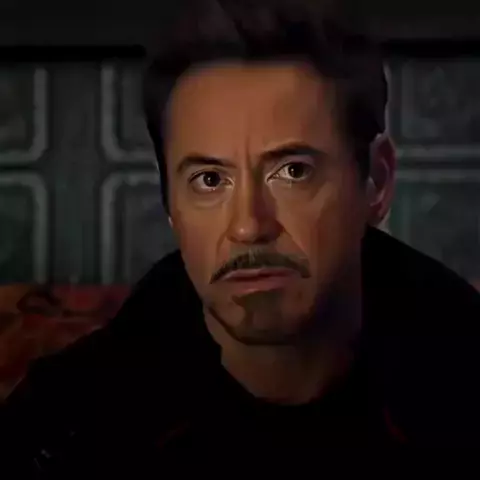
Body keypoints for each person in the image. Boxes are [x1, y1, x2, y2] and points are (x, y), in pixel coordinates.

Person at [2, 0, 480, 476]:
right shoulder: (66, 426)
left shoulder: (462, 385)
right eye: (210, 180)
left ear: (376, 180)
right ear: (169, 204)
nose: (249, 226)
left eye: (293, 172)